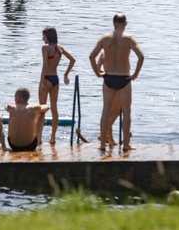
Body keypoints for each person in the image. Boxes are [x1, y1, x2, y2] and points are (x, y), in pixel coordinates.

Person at [88, 13, 145, 151]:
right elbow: (141, 57)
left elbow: (91, 56)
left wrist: (98, 73)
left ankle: (102, 145)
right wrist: (135, 74)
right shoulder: (129, 39)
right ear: (125, 23)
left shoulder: (104, 38)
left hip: (109, 78)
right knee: (126, 112)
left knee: (106, 111)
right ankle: (126, 144)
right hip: (124, 78)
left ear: (113, 23)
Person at [39, 26, 76, 145]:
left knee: (41, 110)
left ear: (48, 36)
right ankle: (53, 137)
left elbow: (45, 65)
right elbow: (72, 60)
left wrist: (41, 82)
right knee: (54, 109)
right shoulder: (59, 49)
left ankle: (38, 138)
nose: (42, 38)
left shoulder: (45, 48)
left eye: (43, 36)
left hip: (46, 79)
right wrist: (65, 74)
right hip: (55, 79)